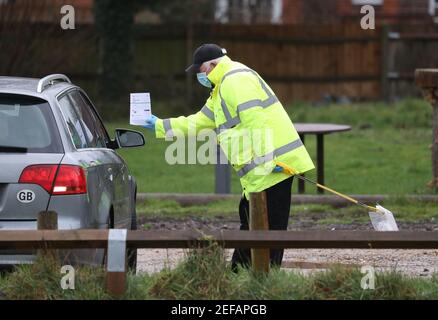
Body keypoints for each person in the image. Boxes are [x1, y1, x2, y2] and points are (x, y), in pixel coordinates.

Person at [143, 44, 315, 271]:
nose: (199, 76)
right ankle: (248, 277)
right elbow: (198, 122)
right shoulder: (221, 88)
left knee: (268, 229)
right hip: (262, 172)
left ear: (213, 65)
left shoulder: (235, 80)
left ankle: (256, 279)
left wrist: (267, 159)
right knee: (252, 221)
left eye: (201, 70)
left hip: (274, 167)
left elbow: (256, 120)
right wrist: (160, 125)